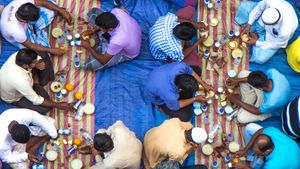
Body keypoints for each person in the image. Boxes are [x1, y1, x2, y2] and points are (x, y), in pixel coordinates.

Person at [0, 48, 74, 114]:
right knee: (45, 109)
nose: (36, 62)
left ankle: (42, 82)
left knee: (42, 54)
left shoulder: (18, 55)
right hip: (17, 97)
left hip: (25, 80)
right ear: (25, 65)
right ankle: (36, 85)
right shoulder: (20, 80)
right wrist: (58, 105)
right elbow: (36, 100)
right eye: (34, 62)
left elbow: (37, 56)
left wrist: (39, 62)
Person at [79, 4, 142, 71]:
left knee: (91, 65)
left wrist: (88, 47)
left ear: (110, 29)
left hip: (125, 53)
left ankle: (102, 43)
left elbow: (103, 60)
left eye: (100, 27)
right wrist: (92, 31)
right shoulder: (116, 11)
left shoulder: (117, 41)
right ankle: (101, 41)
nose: (98, 28)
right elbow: (100, 25)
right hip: (129, 34)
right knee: (93, 11)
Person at [144, 62, 213, 122]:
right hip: (158, 97)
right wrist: (195, 99)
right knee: (186, 116)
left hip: (158, 76)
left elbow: (190, 71)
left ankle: (189, 94)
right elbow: (176, 106)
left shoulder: (180, 67)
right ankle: (161, 107)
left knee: (197, 70)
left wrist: (204, 84)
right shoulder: (170, 95)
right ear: (180, 90)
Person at [0, 0, 72, 56]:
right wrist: (52, 50)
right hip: (19, 36)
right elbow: (31, 45)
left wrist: (61, 11)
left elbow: (43, 2)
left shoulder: (24, 3)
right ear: (25, 21)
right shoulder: (16, 31)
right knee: (43, 51)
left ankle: (38, 28)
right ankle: (36, 31)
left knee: (52, 8)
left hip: (24, 23)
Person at [226, 69, 290, 124]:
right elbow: (255, 79)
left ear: (258, 88)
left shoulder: (270, 102)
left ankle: (247, 103)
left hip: (270, 108)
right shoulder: (272, 72)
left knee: (241, 118)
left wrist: (236, 101)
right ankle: (247, 103)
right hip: (267, 92)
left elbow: (257, 112)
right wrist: (237, 80)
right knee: (242, 74)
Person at [143, 118, 207, 169]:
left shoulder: (175, 121)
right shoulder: (179, 151)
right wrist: (190, 150)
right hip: (150, 157)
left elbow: (188, 125)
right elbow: (172, 164)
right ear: (191, 142)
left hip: (148, 136)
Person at [78, 120, 142, 169]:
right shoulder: (119, 130)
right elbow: (118, 123)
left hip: (135, 165)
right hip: (139, 146)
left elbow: (101, 166)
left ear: (102, 152)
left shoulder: (111, 162)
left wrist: (96, 155)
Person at [234, 124, 300, 169]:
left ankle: (257, 161)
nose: (255, 153)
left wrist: (244, 167)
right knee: (249, 127)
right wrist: (245, 150)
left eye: (257, 153)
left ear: (266, 151)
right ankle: (254, 157)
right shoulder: (271, 131)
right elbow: (259, 131)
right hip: (292, 150)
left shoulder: (273, 164)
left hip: (292, 163)